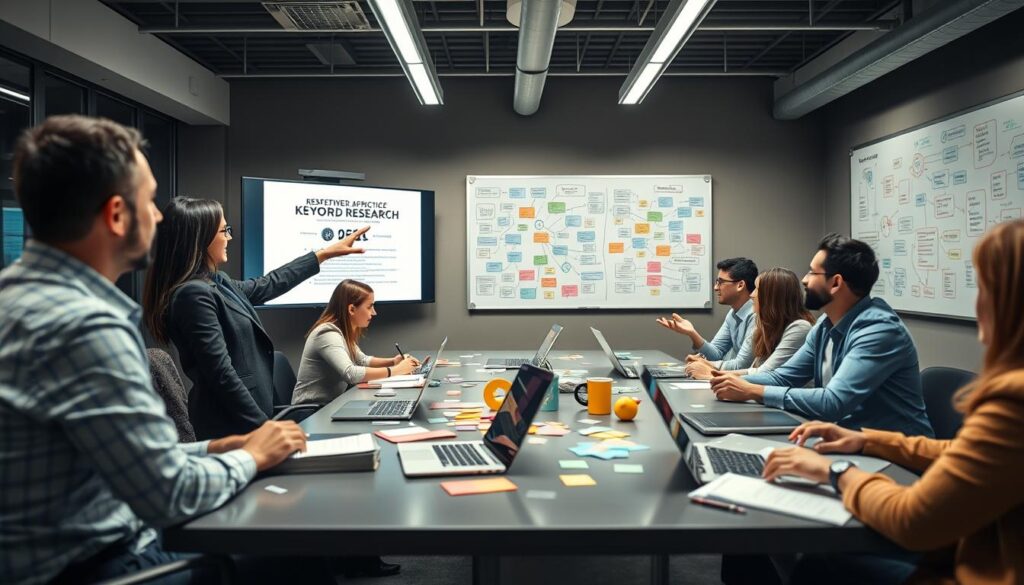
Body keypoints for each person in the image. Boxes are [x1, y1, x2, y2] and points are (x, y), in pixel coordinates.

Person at [0, 115, 311, 585]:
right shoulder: (87, 326)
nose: (159, 217)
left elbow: (133, 463)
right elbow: (169, 494)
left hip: (68, 547)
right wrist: (253, 456)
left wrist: (214, 448)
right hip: (98, 565)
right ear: (116, 215)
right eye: (149, 200)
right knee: (292, 545)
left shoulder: (21, 298)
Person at [763, 219, 1024, 585]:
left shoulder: (1012, 401)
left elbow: (912, 521)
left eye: (984, 288)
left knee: (819, 561)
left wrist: (836, 472)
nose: (978, 302)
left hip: (970, 563)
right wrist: (866, 441)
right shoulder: (825, 326)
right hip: (964, 534)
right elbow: (963, 450)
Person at [143, 198, 369, 439]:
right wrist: (264, 428)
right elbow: (221, 374)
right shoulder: (192, 295)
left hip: (247, 420)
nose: (229, 237)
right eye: (224, 231)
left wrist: (322, 255)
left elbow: (268, 283)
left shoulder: (218, 282)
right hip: (230, 426)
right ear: (201, 238)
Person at [710, 234, 932, 437]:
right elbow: (783, 377)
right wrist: (726, 382)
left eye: (812, 272)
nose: (804, 280)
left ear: (835, 283)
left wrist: (754, 391)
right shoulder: (825, 325)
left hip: (894, 455)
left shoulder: (879, 330)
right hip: (845, 439)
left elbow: (833, 402)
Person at [292, 279, 420, 406]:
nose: (374, 312)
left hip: (330, 405)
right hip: (311, 411)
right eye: (369, 307)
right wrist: (396, 370)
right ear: (352, 309)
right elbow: (351, 373)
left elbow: (361, 360)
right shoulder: (327, 333)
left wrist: (392, 361)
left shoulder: (342, 331)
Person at [686, 268, 813, 380]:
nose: (752, 295)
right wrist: (708, 366)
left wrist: (712, 374)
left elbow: (765, 373)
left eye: (757, 289)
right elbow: (753, 369)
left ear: (772, 297)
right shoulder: (768, 325)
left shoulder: (799, 328)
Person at [657, 257, 758, 371]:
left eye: (721, 282)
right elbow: (716, 354)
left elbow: (742, 366)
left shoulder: (756, 316)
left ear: (740, 285)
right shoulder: (732, 313)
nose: (716, 288)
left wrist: (704, 363)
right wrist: (692, 333)